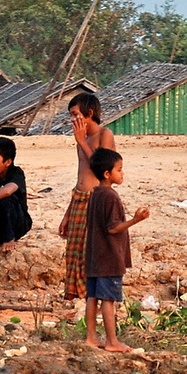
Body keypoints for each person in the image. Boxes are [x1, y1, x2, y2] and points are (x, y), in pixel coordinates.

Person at [84, 148, 149, 352]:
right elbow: (113, 228)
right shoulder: (110, 196)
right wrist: (136, 219)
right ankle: (112, 341)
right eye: (119, 170)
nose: (122, 174)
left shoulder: (96, 193)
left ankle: (91, 337)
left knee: (92, 297)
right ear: (107, 174)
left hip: (94, 256)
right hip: (109, 258)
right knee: (109, 300)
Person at [59, 93, 116, 301]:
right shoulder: (80, 142)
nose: (72, 120)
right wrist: (67, 213)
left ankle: (93, 297)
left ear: (89, 113)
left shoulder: (104, 135)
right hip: (79, 200)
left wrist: (82, 141)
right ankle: (77, 298)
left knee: (88, 253)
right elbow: (80, 177)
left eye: (75, 115)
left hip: (96, 201)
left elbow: (102, 167)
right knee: (73, 253)